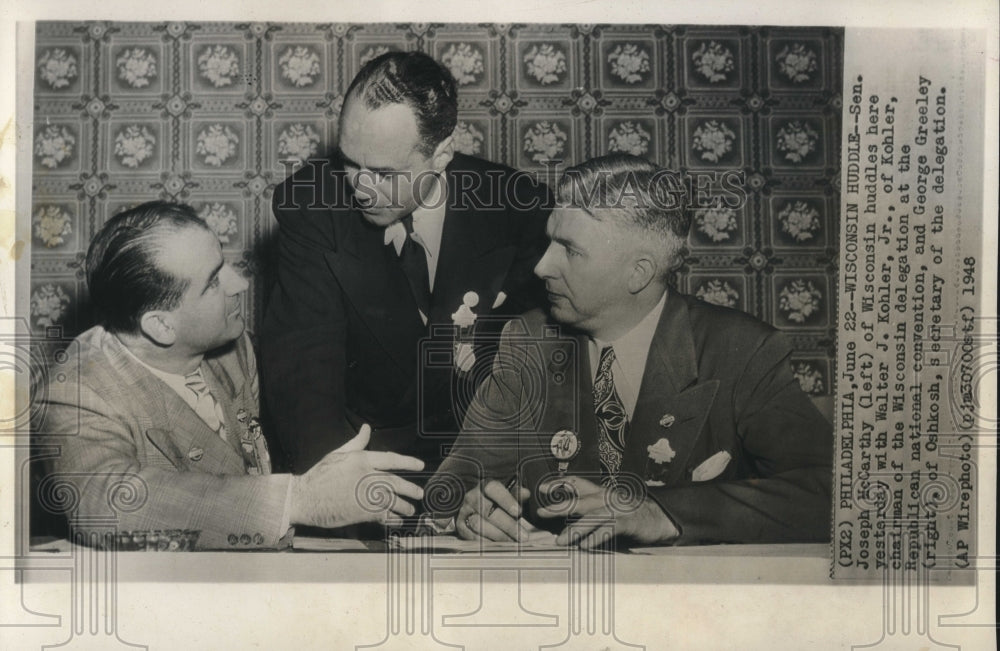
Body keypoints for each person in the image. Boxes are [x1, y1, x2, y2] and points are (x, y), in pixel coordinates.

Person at [428, 154, 833, 547]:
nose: (542, 266)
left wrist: (662, 513)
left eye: (569, 249)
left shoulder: (739, 351)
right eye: (550, 241)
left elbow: (831, 491)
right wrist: (469, 508)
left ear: (638, 273)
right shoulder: (529, 341)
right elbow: (453, 485)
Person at [37, 202, 425, 549]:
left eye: (224, 265)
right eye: (213, 282)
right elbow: (106, 506)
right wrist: (298, 499)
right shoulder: (77, 392)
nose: (240, 284)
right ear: (161, 327)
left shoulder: (233, 347)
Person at [262, 51, 551, 475]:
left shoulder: (521, 207)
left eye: (383, 173)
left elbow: (548, 380)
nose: (360, 189)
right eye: (348, 162)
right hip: (369, 469)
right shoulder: (310, 205)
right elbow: (303, 385)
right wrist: (342, 490)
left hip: (490, 472)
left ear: (442, 153)